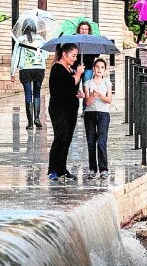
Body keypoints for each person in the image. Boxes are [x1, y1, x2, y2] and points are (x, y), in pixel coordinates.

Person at [47, 43, 85, 181]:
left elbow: (70, 89)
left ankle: (62, 169)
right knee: (60, 137)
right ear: (64, 54)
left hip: (71, 109)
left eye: (76, 56)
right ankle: (53, 169)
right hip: (59, 109)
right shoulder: (57, 68)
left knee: (67, 139)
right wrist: (79, 73)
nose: (75, 59)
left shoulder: (70, 69)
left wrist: (78, 93)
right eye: (73, 55)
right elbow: (66, 84)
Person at [10, 19, 48, 129]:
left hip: (25, 69)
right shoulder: (41, 39)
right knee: (37, 92)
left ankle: (30, 122)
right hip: (39, 69)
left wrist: (12, 72)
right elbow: (45, 56)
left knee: (28, 93)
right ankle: (37, 117)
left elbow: (15, 57)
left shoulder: (20, 40)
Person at [83, 58, 112, 180]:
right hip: (90, 114)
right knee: (91, 142)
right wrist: (93, 96)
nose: (99, 69)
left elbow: (109, 100)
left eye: (102, 67)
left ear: (104, 70)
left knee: (101, 142)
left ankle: (104, 169)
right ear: (94, 69)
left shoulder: (107, 83)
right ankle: (92, 169)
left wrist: (100, 95)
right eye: (97, 67)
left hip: (103, 113)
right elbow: (87, 102)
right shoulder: (87, 83)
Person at [75, 21, 99, 115]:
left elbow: (97, 54)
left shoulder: (92, 40)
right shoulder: (74, 39)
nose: (84, 31)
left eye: (86, 29)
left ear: (89, 31)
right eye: (82, 29)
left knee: (87, 87)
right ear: (79, 30)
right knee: (75, 87)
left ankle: (85, 108)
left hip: (88, 67)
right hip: (76, 67)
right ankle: (74, 107)